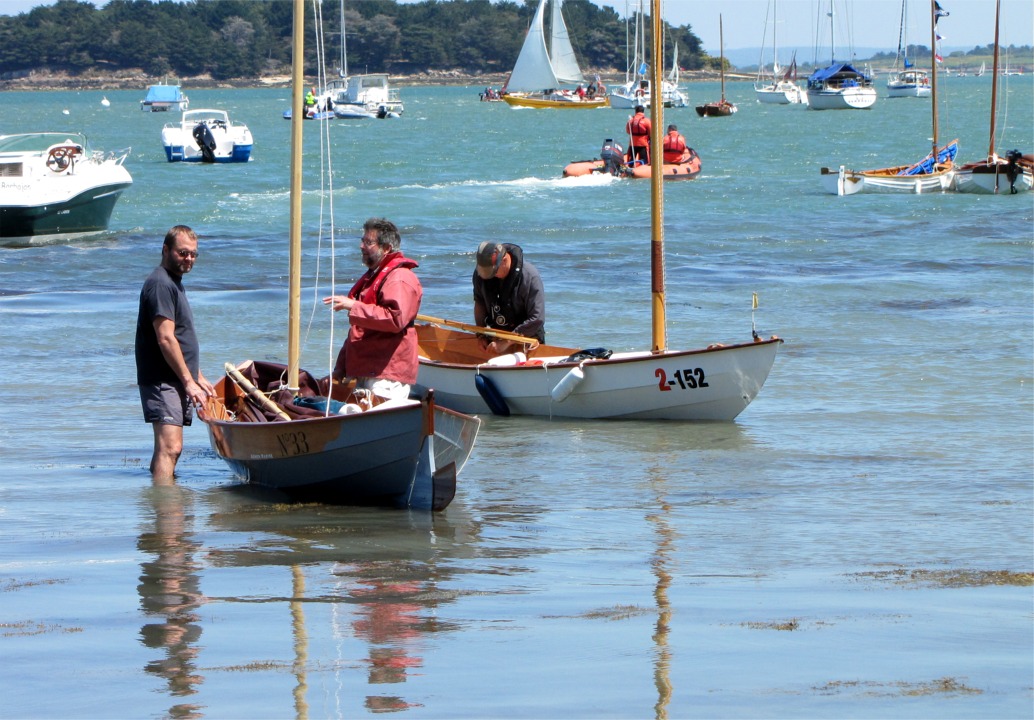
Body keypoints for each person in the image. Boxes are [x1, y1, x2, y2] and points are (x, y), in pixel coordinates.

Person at [135, 225, 215, 481]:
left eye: (193, 254)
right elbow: (166, 338)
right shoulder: (160, 284)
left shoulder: (173, 283)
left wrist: (197, 375)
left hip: (175, 377)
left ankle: (162, 505)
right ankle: (167, 512)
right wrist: (189, 382)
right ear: (165, 250)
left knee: (169, 449)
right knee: (170, 447)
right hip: (162, 379)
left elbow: (180, 337)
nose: (189, 258)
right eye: (183, 252)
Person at [323, 218, 422, 401]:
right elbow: (359, 331)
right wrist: (341, 367)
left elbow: (395, 320)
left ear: (386, 248)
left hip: (387, 373)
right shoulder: (374, 277)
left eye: (368, 242)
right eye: (362, 240)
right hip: (368, 369)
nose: (361, 246)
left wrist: (354, 306)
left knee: (378, 421)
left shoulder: (399, 277)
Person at [472, 241, 545, 355]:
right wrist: (481, 334)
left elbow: (537, 318)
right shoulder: (481, 274)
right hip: (497, 335)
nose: (489, 276)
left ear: (504, 260)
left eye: (493, 272)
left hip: (527, 337)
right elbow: (479, 302)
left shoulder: (530, 276)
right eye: (486, 273)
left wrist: (507, 341)